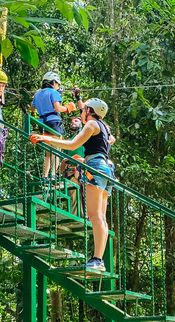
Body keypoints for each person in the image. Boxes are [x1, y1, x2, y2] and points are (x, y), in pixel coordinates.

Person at [29, 98, 115, 271]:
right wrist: (83, 159)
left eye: (84, 110)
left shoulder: (91, 125)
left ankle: (97, 259)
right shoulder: (105, 128)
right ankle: (99, 260)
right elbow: (100, 149)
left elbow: (72, 144)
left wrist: (46, 139)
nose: (81, 113)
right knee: (102, 218)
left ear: (90, 111)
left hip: (95, 169)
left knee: (94, 216)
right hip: (106, 170)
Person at [31, 72, 76, 179]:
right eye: (57, 84)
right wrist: (68, 107)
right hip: (53, 122)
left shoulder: (37, 94)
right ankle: (52, 175)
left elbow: (31, 108)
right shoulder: (53, 92)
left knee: (48, 152)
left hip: (42, 123)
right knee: (56, 149)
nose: (57, 87)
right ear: (53, 82)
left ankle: (45, 175)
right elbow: (58, 108)